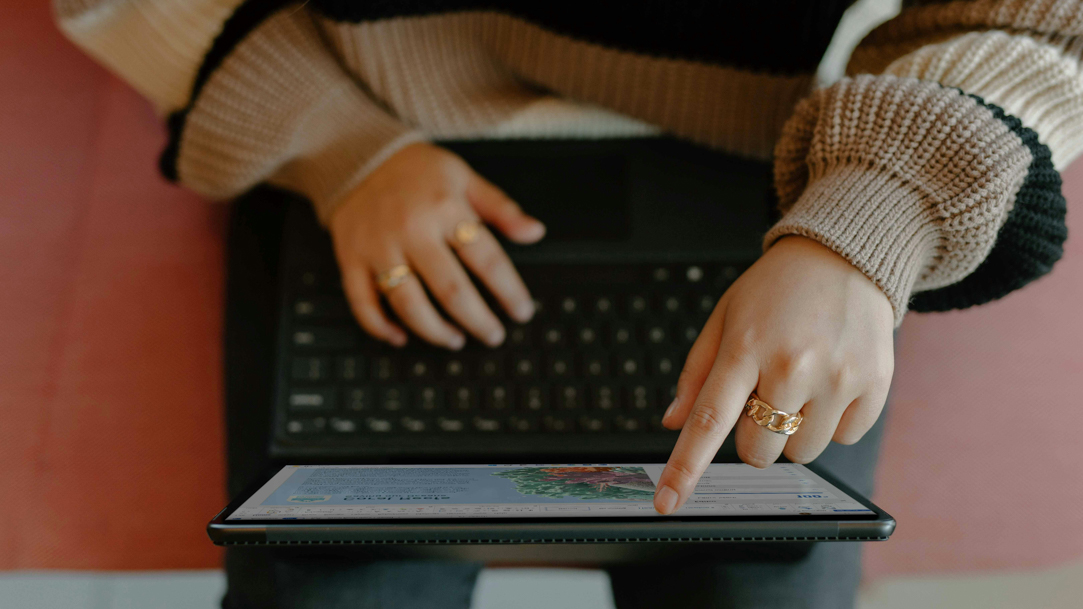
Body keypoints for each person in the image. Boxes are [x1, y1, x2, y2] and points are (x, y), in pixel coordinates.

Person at [55, 1, 1073, 607]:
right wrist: (337, 147)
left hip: (764, 183)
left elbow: (1033, 17)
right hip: (368, 152)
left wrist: (868, 222)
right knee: (329, 580)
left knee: (766, 570)